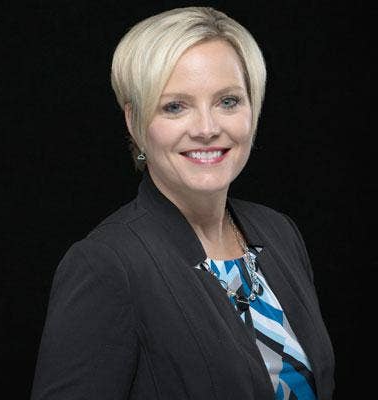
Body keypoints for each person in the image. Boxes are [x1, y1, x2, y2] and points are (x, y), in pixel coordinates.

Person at [30, 6, 335, 400]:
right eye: (175, 106)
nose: (207, 128)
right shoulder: (106, 265)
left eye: (228, 101)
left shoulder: (278, 233)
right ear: (134, 122)